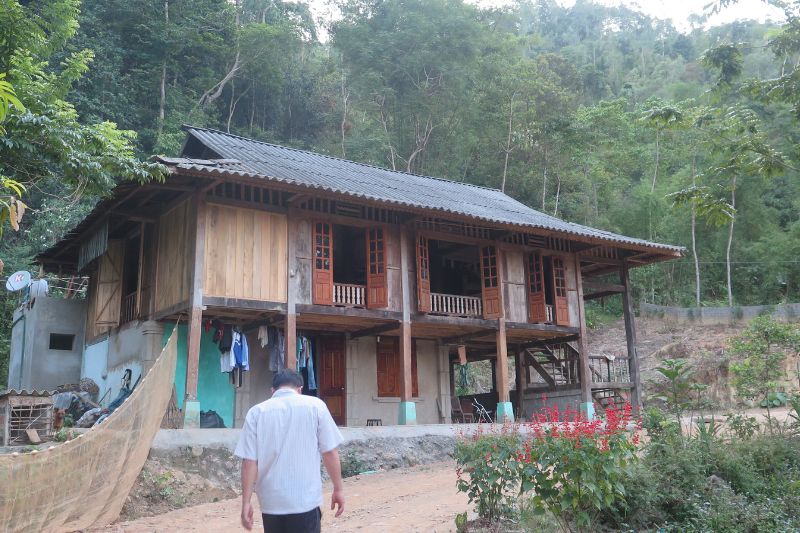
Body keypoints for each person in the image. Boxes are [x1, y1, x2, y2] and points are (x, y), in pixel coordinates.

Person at [235, 369, 345, 532]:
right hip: (304, 500)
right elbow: (329, 452)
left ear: (272, 391)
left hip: (271, 502)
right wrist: (338, 489)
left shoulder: (256, 413)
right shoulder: (316, 406)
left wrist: (246, 502)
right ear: (300, 389)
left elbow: (249, 462)